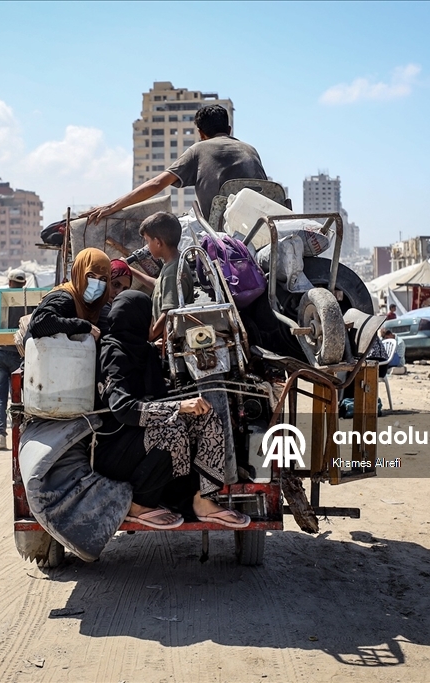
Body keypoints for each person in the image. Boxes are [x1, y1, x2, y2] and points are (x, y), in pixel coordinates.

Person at [95, 291, 250, 529]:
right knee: (173, 431)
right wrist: (178, 408)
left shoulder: (144, 352)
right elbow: (123, 408)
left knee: (206, 416)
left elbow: (159, 397)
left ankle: (203, 500)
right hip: (115, 445)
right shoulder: (112, 353)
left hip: (141, 438)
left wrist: (189, 405)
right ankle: (139, 505)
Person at [87, 105, 266, 224]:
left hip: (220, 233)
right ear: (229, 130)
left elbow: (157, 184)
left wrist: (111, 207)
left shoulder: (199, 149)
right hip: (260, 226)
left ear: (201, 133)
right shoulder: (250, 149)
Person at [0, 270, 28, 450]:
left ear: (9, 283)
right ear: (23, 284)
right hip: (18, 355)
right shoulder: (29, 300)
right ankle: (19, 436)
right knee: (17, 398)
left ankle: (0, 435)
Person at [28, 248, 111, 341]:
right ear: (78, 272)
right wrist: (84, 326)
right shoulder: (64, 297)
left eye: (103, 279)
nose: (97, 284)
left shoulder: (99, 306)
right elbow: (39, 323)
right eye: (90, 276)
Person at [140, 212, 194, 341]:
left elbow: (169, 313)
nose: (147, 246)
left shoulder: (172, 271)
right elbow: (158, 285)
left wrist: (150, 337)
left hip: (171, 342)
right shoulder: (172, 263)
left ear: (158, 242)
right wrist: (131, 270)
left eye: (148, 241)